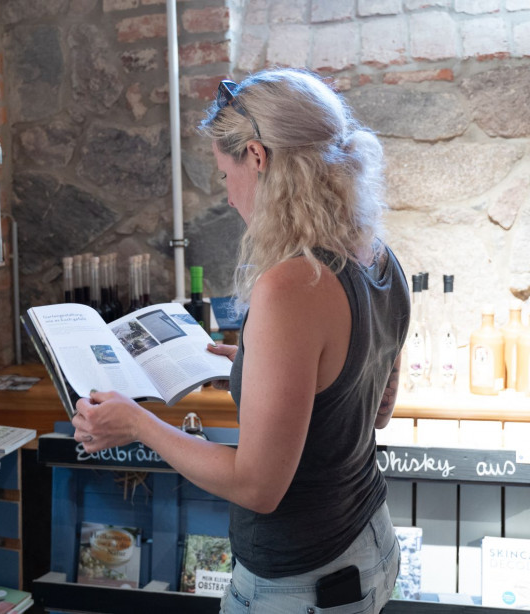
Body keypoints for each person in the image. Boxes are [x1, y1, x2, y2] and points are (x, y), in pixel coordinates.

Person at [71, 68, 410, 613]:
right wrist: (264, 364)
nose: (227, 196)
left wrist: (138, 423)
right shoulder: (379, 257)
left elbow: (257, 487)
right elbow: (374, 409)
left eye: (224, 172)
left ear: (256, 156)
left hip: (303, 581)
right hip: (367, 541)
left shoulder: (293, 286)